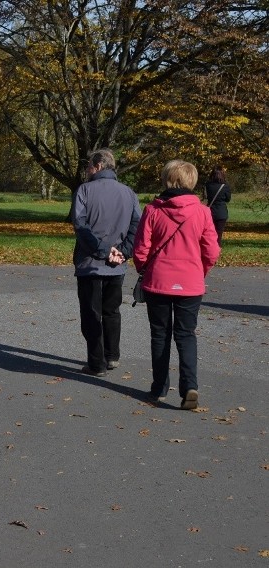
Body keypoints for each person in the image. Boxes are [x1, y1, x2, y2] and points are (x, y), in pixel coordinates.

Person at [133, 160, 220, 409]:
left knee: (160, 335)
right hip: (191, 283)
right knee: (186, 335)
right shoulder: (203, 212)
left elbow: (141, 249)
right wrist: (199, 272)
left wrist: (144, 270)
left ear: (167, 179)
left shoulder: (153, 210)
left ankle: (159, 388)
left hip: (158, 281)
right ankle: (189, 386)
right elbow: (212, 251)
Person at [72, 148, 140, 377]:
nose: (87, 170)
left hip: (90, 263)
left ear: (98, 166)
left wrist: (102, 250)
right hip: (116, 264)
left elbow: (81, 226)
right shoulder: (129, 193)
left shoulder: (85, 190)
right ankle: (112, 356)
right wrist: (123, 252)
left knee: (92, 313)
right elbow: (136, 226)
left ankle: (97, 362)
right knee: (112, 310)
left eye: (89, 166)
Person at [204, 165, 231, 246]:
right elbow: (228, 199)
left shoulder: (208, 185)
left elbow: (206, 197)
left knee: (209, 233)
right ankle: (216, 249)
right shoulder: (225, 186)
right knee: (219, 234)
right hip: (221, 212)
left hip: (210, 211)